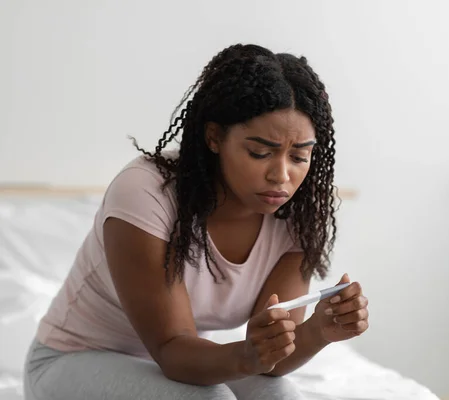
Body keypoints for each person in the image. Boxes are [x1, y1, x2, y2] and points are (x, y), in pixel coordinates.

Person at [23, 43, 370, 400]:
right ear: (214, 137)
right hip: (72, 361)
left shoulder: (299, 216)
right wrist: (246, 355)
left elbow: (271, 359)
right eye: (260, 153)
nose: (281, 176)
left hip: (185, 360)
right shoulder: (147, 193)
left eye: (299, 156)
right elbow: (172, 350)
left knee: (280, 396)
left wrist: (320, 330)